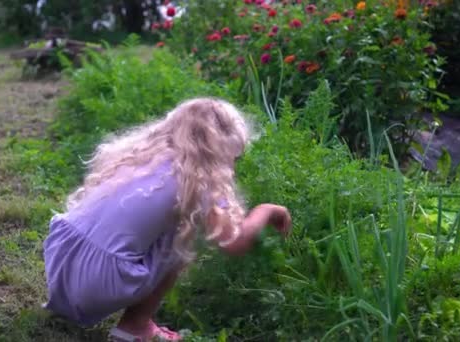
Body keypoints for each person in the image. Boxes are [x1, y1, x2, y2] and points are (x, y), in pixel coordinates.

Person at [42, 97, 292, 341]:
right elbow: (234, 243)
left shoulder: (139, 158)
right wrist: (267, 210)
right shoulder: (199, 181)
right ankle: (135, 327)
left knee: (160, 225)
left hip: (61, 262)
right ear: (224, 148)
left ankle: (75, 303)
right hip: (96, 282)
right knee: (182, 234)